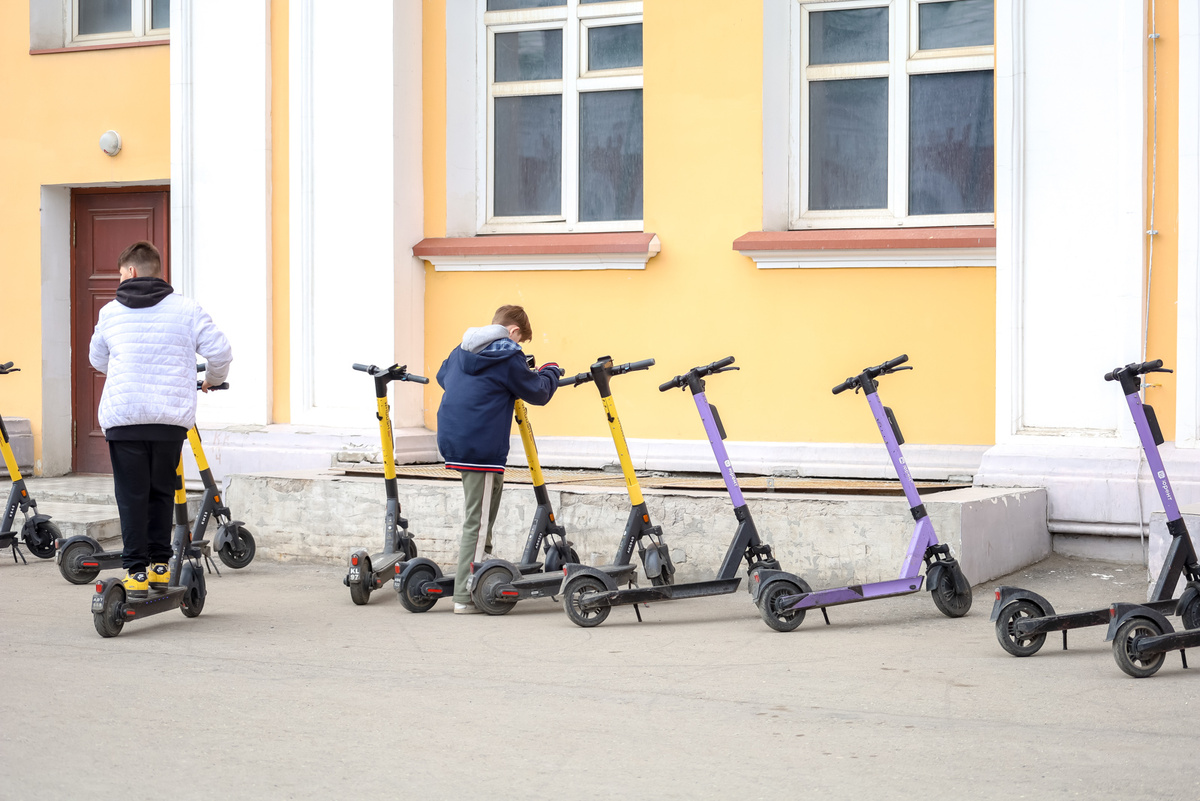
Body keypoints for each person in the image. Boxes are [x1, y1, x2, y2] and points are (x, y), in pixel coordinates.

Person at [89, 241, 232, 599]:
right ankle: (159, 566)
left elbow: (98, 360)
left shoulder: (110, 312)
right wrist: (212, 379)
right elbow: (221, 351)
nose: (119, 280)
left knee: (131, 495)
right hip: (168, 421)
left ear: (132, 272)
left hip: (125, 419)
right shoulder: (186, 308)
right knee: (161, 492)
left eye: (120, 274)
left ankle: (135, 571)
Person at [436, 305, 561, 615]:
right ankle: (465, 597)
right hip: (480, 442)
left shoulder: (460, 349)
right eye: (520, 341)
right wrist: (550, 370)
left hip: (454, 435)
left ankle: (479, 566)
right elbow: (538, 392)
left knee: (486, 504)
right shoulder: (507, 355)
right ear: (514, 332)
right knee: (476, 521)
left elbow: (443, 377)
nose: (519, 348)